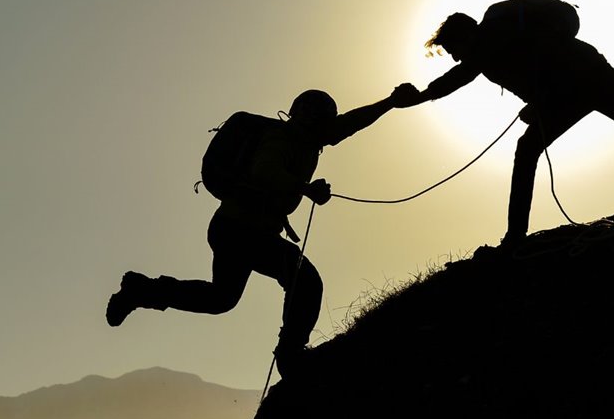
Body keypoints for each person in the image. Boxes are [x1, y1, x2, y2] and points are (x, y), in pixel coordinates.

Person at [105, 88, 420, 376]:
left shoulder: (309, 139)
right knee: (304, 281)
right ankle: (291, 356)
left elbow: (346, 126)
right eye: (320, 120)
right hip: (242, 230)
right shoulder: (280, 138)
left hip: (236, 229)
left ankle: (142, 290)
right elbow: (264, 171)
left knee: (221, 298)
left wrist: (389, 103)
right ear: (307, 118)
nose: (325, 128)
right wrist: (305, 188)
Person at [395, 0, 614, 248]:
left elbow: (473, 75)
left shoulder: (491, 38)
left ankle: (516, 238)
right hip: (591, 76)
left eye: (454, 48)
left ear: (466, 34)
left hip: (581, 83)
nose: (455, 56)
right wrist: (423, 96)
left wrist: (421, 96)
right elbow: (464, 76)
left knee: (528, 148)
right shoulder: (488, 47)